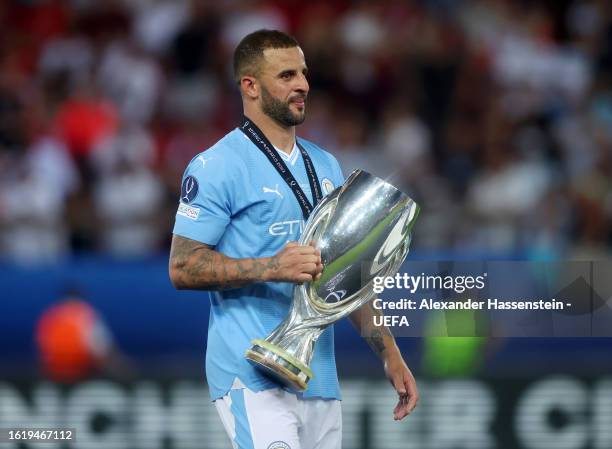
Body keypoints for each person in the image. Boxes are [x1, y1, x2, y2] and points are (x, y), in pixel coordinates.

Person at [169, 29, 418, 449]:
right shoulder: (217, 165)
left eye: (303, 73)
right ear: (249, 85)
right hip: (250, 372)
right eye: (286, 75)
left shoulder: (326, 165)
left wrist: (390, 355)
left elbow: (346, 277)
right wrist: (272, 267)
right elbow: (182, 267)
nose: (303, 84)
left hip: (318, 376)